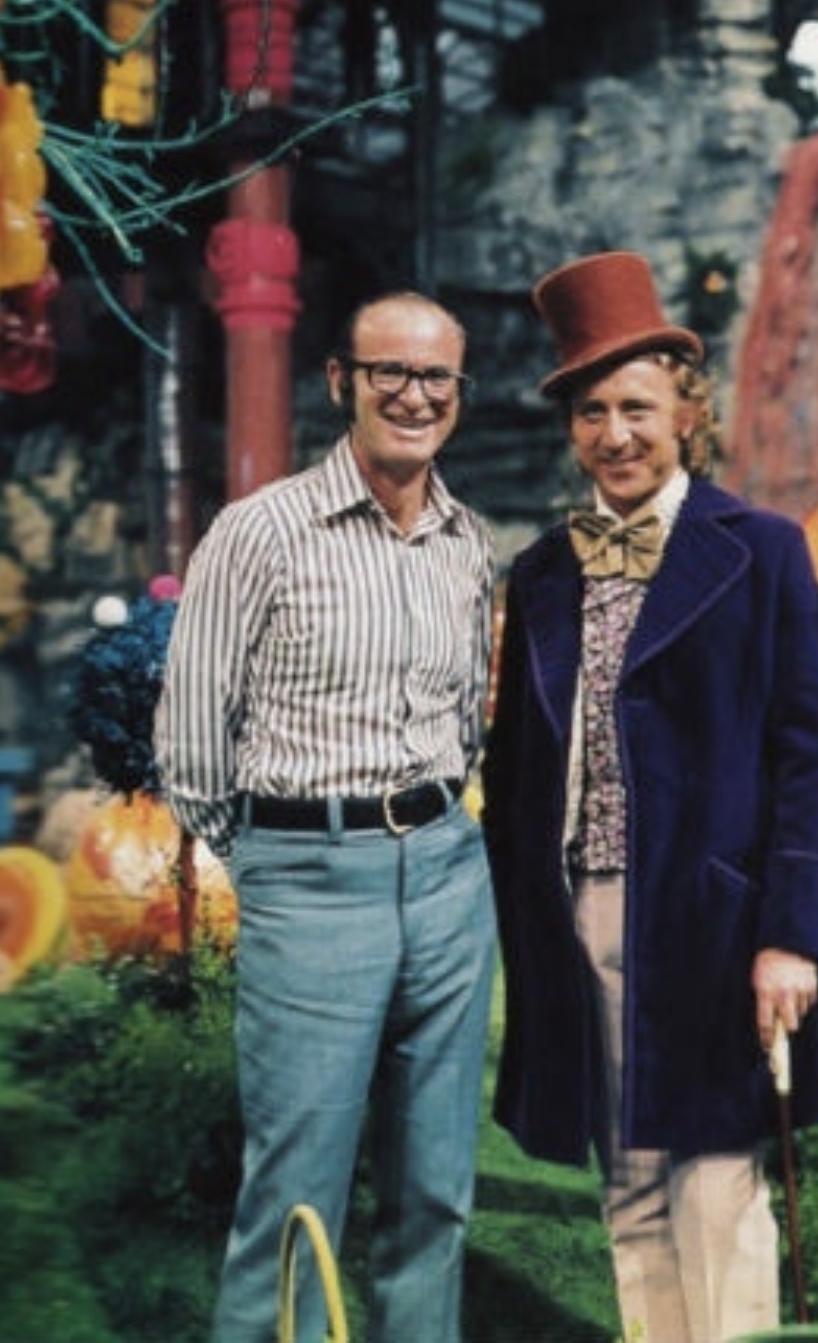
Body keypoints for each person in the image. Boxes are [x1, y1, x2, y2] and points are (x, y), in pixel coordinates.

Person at [482, 249, 818, 1343]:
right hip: (579, 917)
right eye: (591, 412)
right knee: (629, 1188)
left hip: (713, 920)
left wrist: (789, 935)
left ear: (686, 410)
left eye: (636, 407)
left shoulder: (762, 550)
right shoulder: (542, 571)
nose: (615, 434)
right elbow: (515, 766)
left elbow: (806, 755)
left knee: (715, 1189)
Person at [155, 291, 498, 1343]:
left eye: (435, 376)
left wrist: (433, 829)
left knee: (435, 1187)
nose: (414, 395)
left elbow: (464, 720)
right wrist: (276, 857)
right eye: (390, 371)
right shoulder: (259, 532)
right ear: (341, 381)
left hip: (446, 873)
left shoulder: (468, 541)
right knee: (295, 1189)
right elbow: (192, 740)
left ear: (459, 392)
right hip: (310, 876)